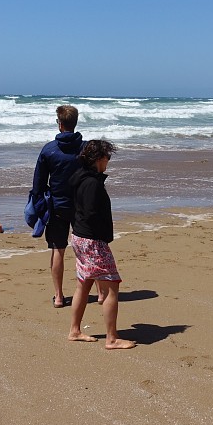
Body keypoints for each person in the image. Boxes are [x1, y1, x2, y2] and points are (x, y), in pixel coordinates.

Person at [66, 140, 136, 350]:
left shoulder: (80, 177)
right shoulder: (92, 183)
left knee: (84, 283)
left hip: (79, 237)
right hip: (92, 240)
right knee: (111, 286)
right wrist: (103, 235)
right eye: (107, 157)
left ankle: (75, 330)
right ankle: (111, 338)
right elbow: (92, 214)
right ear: (98, 159)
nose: (108, 161)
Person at [31, 105, 85, 308]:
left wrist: (39, 206)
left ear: (60, 124)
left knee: (57, 249)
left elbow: (38, 184)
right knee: (86, 250)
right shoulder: (86, 148)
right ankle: (95, 293)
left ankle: (59, 296)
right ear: (75, 123)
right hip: (82, 205)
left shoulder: (49, 149)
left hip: (57, 206)